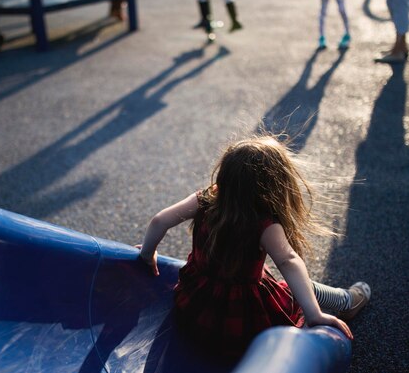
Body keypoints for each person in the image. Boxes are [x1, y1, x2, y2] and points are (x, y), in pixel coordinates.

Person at [137, 136, 370, 357]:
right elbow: (289, 262)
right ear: (273, 186)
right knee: (299, 288)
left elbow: (160, 220)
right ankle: (346, 302)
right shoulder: (263, 224)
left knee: (289, 285)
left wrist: (147, 254)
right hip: (242, 321)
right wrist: (315, 314)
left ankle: (341, 302)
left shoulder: (205, 200)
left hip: (195, 309)